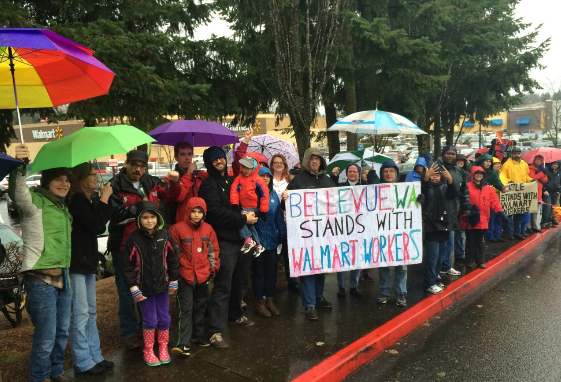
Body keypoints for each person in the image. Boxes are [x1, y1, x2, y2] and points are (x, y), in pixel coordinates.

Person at [12, 144, 73, 382]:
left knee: (61, 332)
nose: (64, 184)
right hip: (40, 279)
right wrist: (21, 166)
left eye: (67, 180)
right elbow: (19, 193)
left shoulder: (62, 207)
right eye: (58, 179)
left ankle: (56, 372)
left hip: (63, 274)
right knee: (46, 336)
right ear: (47, 181)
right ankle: (39, 377)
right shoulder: (34, 203)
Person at [108, 149, 180, 349]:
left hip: (151, 246)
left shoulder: (152, 182)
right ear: (127, 164)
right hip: (125, 246)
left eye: (142, 166)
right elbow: (113, 215)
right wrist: (136, 208)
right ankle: (130, 332)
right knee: (127, 291)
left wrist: (174, 182)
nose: (138, 169)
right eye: (134, 165)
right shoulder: (115, 185)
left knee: (150, 289)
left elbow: (171, 197)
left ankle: (148, 328)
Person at [200, 146, 258, 349]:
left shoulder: (233, 180)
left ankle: (235, 315)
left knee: (239, 280)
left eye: (221, 157)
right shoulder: (208, 186)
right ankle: (215, 329)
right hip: (224, 239)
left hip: (242, 238)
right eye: (214, 159)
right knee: (223, 284)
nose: (219, 161)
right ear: (209, 162)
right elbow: (215, 213)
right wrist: (242, 217)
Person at [68, 163, 114, 375]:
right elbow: (96, 225)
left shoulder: (87, 200)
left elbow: (100, 221)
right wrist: (104, 198)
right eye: (92, 175)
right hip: (76, 263)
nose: (97, 178)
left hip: (87, 262)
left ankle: (95, 355)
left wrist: (101, 201)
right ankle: (83, 361)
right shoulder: (76, 200)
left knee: (91, 312)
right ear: (81, 179)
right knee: (81, 314)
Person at [123, 202, 179, 367]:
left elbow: (173, 258)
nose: (149, 221)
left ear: (158, 218)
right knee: (150, 320)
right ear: (139, 220)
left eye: (152, 217)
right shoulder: (134, 239)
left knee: (164, 318)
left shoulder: (165, 235)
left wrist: (174, 279)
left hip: (162, 286)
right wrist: (133, 286)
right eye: (145, 217)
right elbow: (127, 265)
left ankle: (162, 347)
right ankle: (148, 349)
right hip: (143, 288)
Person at [287, 147, 334, 321]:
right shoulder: (298, 181)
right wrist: (286, 198)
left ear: (322, 162)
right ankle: (309, 305)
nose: (315, 161)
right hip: (305, 235)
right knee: (307, 268)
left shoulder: (328, 180)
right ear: (307, 161)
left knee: (321, 267)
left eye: (318, 159)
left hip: (324, 232)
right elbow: (288, 205)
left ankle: (319, 297)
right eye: (312, 159)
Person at [170, 197, 220, 356]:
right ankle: (183, 342)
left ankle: (198, 336)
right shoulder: (177, 229)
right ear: (188, 212)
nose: (197, 215)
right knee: (185, 308)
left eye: (200, 212)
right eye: (193, 211)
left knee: (201, 306)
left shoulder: (209, 229)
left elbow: (213, 251)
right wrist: (176, 274)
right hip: (185, 275)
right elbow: (172, 254)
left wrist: (212, 269)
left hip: (203, 275)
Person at [253, 167, 286, 317]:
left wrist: (282, 233)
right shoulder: (252, 195)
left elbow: (279, 216)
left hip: (272, 239)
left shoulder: (273, 195)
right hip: (258, 240)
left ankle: (270, 299)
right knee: (259, 273)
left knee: (271, 272)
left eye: (268, 176)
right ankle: (259, 301)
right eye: (262, 176)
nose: (265, 178)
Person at [376, 160, 408, 307]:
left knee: (401, 267)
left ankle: (401, 294)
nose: (388, 174)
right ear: (382, 174)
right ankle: (383, 293)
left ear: (396, 173)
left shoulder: (406, 190)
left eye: (391, 171)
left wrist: (419, 200)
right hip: (383, 234)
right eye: (385, 171)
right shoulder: (375, 190)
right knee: (384, 266)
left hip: (401, 234)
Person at [421, 163, 456, 294]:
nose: (435, 178)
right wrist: (425, 178)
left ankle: (435, 278)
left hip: (444, 226)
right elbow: (421, 191)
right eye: (433, 175)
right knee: (432, 257)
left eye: (438, 175)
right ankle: (429, 283)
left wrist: (451, 180)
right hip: (431, 227)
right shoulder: (426, 187)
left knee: (440, 257)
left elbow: (454, 194)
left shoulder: (445, 187)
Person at [437, 146, 471, 277]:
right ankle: (438, 269)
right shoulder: (436, 168)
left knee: (450, 242)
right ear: (443, 154)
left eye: (453, 154)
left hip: (453, 211)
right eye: (448, 153)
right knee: (440, 244)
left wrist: (466, 207)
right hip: (439, 212)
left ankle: (447, 266)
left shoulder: (458, 171)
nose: (450, 156)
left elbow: (464, 191)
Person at [460, 166, 503, 268]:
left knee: (480, 241)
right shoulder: (467, 186)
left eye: (481, 174)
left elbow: (494, 201)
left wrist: (499, 210)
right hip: (470, 219)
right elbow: (463, 201)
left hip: (483, 219)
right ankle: (469, 260)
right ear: (473, 175)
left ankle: (480, 261)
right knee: (470, 241)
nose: (479, 175)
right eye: (477, 173)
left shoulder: (488, 188)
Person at [230, 157, 269, 256]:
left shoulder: (257, 179)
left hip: (253, 207)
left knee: (240, 221)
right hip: (243, 206)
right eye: (244, 167)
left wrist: (263, 208)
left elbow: (265, 193)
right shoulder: (238, 178)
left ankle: (248, 239)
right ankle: (258, 244)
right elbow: (234, 191)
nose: (246, 170)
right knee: (251, 226)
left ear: (253, 168)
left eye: (249, 168)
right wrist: (234, 203)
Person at [270, 154, 297, 292]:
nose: (278, 164)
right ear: (272, 164)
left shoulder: (290, 180)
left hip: (288, 221)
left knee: (288, 254)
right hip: (273, 222)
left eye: (281, 162)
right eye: (276, 162)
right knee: (274, 255)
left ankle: (292, 282)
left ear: (285, 164)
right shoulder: (268, 179)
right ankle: (272, 285)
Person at [336, 163, 363, 298]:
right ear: (346, 174)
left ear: (359, 173)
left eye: (355, 171)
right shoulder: (340, 187)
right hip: (342, 229)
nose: (352, 173)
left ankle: (354, 286)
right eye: (350, 171)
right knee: (342, 258)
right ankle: (341, 287)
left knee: (357, 258)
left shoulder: (364, 188)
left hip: (359, 229)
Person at [500, 146, 533, 240]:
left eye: (518, 153)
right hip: (512, 192)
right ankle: (513, 233)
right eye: (515, 153)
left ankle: (521, 231)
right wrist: (509, 182)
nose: (517, 155)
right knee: (511, 215)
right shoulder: (507, 164)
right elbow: (503, 177)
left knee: (522, 213)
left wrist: (531, 180)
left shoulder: (524, 164)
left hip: (523, 191)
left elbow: (526, 176)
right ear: (511, 154)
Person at [173, 141, 208, 223]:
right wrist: (189, 174)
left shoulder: (200, 175)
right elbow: (179, 197)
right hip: (183, 223)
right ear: (176, 157)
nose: (187, 158)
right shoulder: (173, 178)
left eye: (189, 154)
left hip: (201, 221)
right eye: (182, 154)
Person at [528, 155, 548, 232]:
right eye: (537, 160)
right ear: (534, 160)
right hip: (531, 192)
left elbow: (545, 180)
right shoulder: (531, 168)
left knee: (537, 212)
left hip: (539, 193)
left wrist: (541, 173)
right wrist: (541, 174)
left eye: (540, 160)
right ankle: (529, 227)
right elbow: (532, 178)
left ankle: (536, 226)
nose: (538, 161)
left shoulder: (542, 169)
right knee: (530, 211)